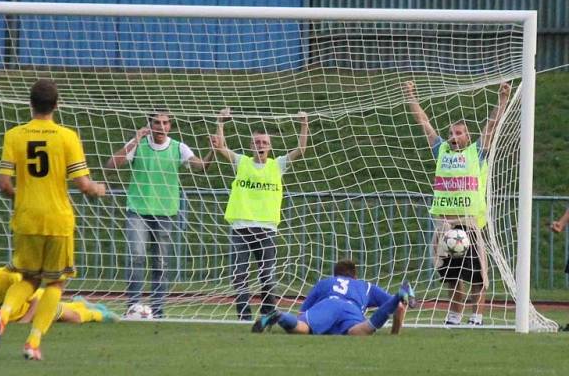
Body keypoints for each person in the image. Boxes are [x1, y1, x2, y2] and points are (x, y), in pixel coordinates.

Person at [0, 78, 106, 361]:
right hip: (57, 220)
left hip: (26, 219)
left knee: (27, 277)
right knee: (55, 284)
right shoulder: (67, 136)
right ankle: (33, 342)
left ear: (31, 104)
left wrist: (24, 198)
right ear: (56, 104)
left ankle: (3, 314)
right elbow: (83, 185)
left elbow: (4, 183)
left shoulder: (14, 135)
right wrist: (99, 189)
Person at [405, 80, 510, 326]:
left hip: (469, 223)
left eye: (458, 133)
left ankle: (477, 316)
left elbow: (492, 126)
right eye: (451, 133)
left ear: (467, 137)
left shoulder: (476, 153)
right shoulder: (441, 151)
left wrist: (502, 100)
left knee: (475, 275)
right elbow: (424, 123)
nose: (453, 137)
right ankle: (454, 315)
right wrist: (410, 95)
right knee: (451, 275)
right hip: (444, 223)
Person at [104, 111, 213, 318]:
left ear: (170, 126)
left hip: (165, 212)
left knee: (160, 262)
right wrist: (134, 141)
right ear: (150, 124)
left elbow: (201, 167)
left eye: (165, 122)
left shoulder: (178, 147)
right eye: (157, 122)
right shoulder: (138, 144)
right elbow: (110, 166)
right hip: (137, 210)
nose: (161, 126)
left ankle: (158, 310)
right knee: (137, 256)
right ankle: (133, 307)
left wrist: (212, 152)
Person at [210, 107, 309, 321]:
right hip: (240, 227)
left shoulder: (278, 165)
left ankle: (268, 313)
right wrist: (220, 122)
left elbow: (301, 149)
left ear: (270, 146)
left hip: (266, 228)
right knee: (239, 274)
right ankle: (243, 315)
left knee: (267, 275)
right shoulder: (242, 162)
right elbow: (221, 148)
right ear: (251, 146)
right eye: (257, 142)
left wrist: (304, 124)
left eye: (264, 142)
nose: (260, 145)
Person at [252, 259, 410, 336]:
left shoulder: (325, 283)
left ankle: (279, 315)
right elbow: (400, 309)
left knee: (304, 328)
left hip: (328, 304)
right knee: (359, 331)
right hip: (351, 309)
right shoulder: (365, 285)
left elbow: (302, 314)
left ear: (335, 275)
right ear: (354, 276)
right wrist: (395, 333)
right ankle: (399, 295)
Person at [0, 264, 118, 324]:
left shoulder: (10, 278)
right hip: (17, 314)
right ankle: (81, 303)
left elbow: (33, 301)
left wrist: (25, 321)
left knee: (74, 319)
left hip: (33, 305)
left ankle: (100, 314)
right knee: (66, 313)